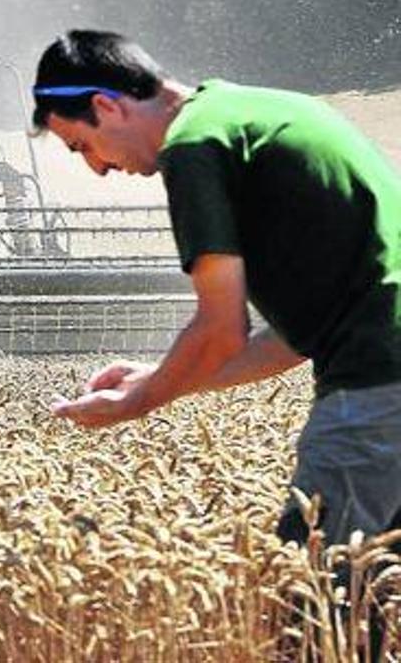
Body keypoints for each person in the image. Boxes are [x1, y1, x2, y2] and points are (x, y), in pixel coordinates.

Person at [33, 29, 401, 591]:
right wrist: (164, 378)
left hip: (378, 390)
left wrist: (139, 401)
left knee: (311, 602)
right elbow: (292, 339)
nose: (97, 169)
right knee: (382, 602)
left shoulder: (196, 146)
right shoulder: (270, 112)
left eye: (81, 146)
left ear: (106, 106)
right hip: (383, 374)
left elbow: (221, 329)